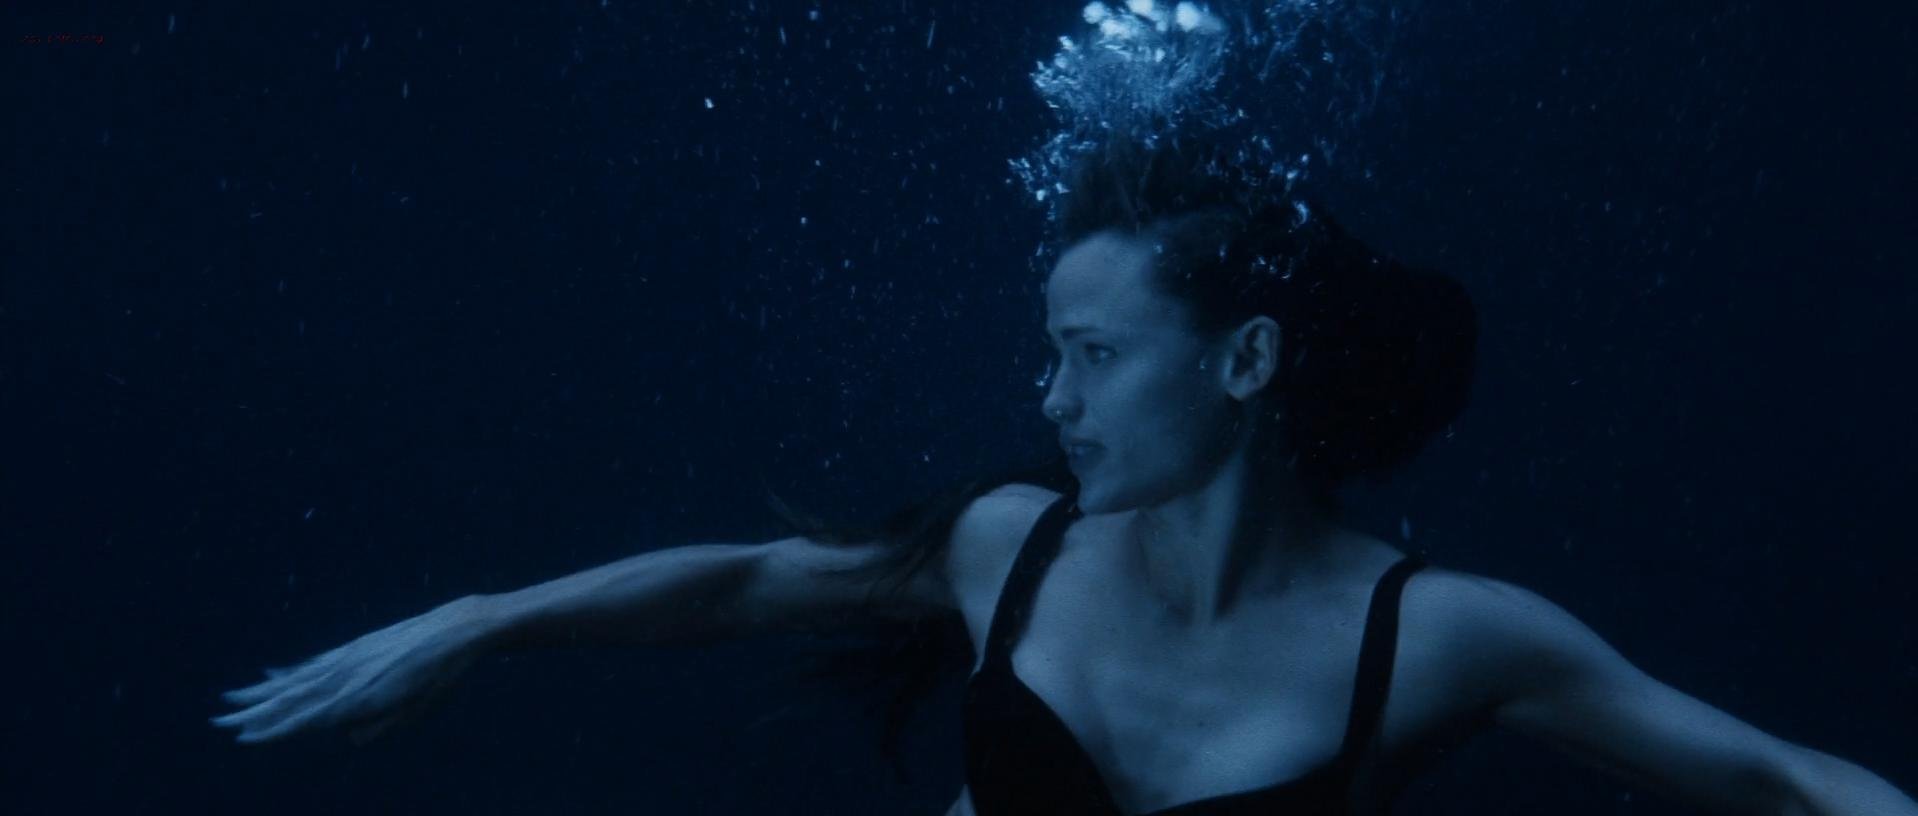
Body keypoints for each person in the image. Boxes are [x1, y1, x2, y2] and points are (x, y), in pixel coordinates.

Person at [214, 136, 1916, 816]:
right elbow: (744, 581)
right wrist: (479, 619)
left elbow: (1779, 782)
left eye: (1092, 354)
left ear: (1243, 362)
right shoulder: (1006, 548)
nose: (1050, 398)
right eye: (1052, 352)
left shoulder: (1437, 638)